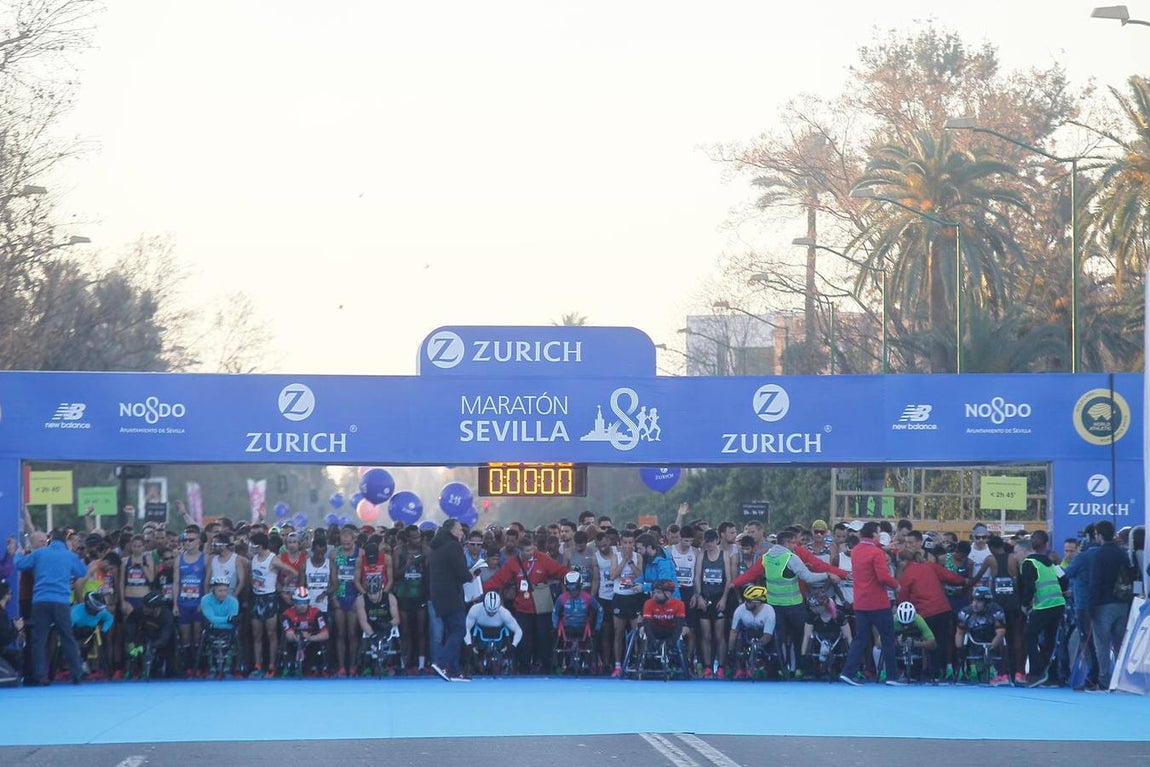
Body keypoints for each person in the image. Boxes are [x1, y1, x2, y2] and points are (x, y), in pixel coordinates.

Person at [14, 528, 88, 686]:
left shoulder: (40, 553)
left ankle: (40, 676)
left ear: (50, 540)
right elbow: (82, 572)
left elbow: (20, 564)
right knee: (67, 638)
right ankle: (76, 674)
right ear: (65, 542)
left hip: (40, 601)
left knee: (39, 640)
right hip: (61, 602)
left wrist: (18, 553)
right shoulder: (69, 555)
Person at [483, 536, 568, 674]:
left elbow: (560, 571)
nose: (531, 552)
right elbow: (499, 579)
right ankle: (524, 668)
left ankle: (546, 667)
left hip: (541, 607)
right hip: (522, 607)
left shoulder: (542, 558)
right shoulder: (513, 563)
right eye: (527, 551)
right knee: (523, 639)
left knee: (544, 638)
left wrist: (573, 575)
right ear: (520, 551)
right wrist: (481, 589)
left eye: (532, 549)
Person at [839, 522, 903, 687]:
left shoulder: (856, 551)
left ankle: (848, 672)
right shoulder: (876, 553)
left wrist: (883, 547)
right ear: (874, 534)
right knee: (888, 638)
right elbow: (882, 577)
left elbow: (870, 548)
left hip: (860, 602)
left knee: (860, 638)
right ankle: (892, 675)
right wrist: (896, 584)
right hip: (878, 602)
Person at [1089, 520, 1136, 690]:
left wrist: (1091, 607)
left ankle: (1104, 679)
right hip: (1122, 603)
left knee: (1102, 644)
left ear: (1100, 535)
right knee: (1119, 644)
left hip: (1103, 603)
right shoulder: (1122, 553)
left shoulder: (1098, 555)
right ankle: (1121, 679)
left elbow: (1095, 582)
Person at [429, 518, 477, 682]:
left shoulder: (436, 546)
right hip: (451, 593)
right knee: (459, 630)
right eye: (460, 529)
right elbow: (461, 571)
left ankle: (455, 670)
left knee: (451, 631)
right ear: (452, 531)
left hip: (438, 594)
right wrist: (470, 576)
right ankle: (441, 662)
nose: (462, 532)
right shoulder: (453, 546)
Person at [1017, 530, 1067, 687]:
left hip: (1043, 605)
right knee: (1050, 640)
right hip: (1058, 604)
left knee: (1029, 635)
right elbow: (1064, 579)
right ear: (1046, 545)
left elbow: (1029, 587)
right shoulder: (1051, 562)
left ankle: (1036, 672)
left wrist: (1025, 604)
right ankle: (1051, 674)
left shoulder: (1028, 563)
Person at [248, 532, 298, 678]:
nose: (252, 548)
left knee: (271, 634)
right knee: (257, 634)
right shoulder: (254, 557)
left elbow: (293, 572)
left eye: (254, 545)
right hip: (256, 597)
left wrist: (282, 584)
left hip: (269, 598)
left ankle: (271, 665)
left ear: (261, 546)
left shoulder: (273, 559)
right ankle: (257, 665)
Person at [955, 586, 1008, 685]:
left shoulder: (997, 611)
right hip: (973, 640)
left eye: (979, 601)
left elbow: (1000, 633)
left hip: (992, 640)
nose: (975, 604)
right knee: (962, 647)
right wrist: (959, 649)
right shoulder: (965, 612)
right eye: (974, 600)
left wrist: (990, 648)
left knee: (1003, 642)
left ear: (987, 603)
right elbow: (959, 632)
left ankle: (1001, 673)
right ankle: (966, 671)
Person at [727, 585, 776, 679]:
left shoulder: (769, 611)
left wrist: (756, 646)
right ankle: (739, 669)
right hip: (747, 635)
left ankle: (761, 666)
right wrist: (730, 651)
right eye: (745, 600)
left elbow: (768, 635)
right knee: (738, 640)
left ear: (757, 602)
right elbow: (734, 632)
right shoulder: (740, 610)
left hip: (764, 636)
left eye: (748, 601)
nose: (745, 603)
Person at [282, 586, 330, 676]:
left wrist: (310, 638)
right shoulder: (287, 614)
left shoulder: (316, 612)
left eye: (305, 602)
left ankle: (318, 667)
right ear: (294, 602)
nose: (302, 605)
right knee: (286, 642)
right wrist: (296, 638)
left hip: (312, 641)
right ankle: (289, 666)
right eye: (299, 602)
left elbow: (325, 634)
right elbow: (288, 634)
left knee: (320, 643)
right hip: (294, 641)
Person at [552, 570, 603, 642]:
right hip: (566, 628)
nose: (573, 592)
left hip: (583, 628)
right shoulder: (562, 598)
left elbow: (600, 610)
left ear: (580, 586)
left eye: (576, 588)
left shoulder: (587, 597)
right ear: (567, 587)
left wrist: (597, 627)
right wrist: (555, 626)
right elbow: (555, 612)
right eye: (571, 589)